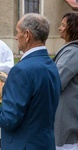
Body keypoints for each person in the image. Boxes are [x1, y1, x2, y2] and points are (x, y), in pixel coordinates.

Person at [0, 13, 61, 150]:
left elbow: (8, 120)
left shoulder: (21, 71)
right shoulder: (51, 65)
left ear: (27, 35)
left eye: (17, 32)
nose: (16, 37)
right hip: (45, 143)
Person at [53, 12, 78, 150]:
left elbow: (56, 82)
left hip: (66, 119)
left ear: (72, 28)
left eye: (63, 25)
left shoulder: (72, 53)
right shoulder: (71, 50)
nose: (59, 28)